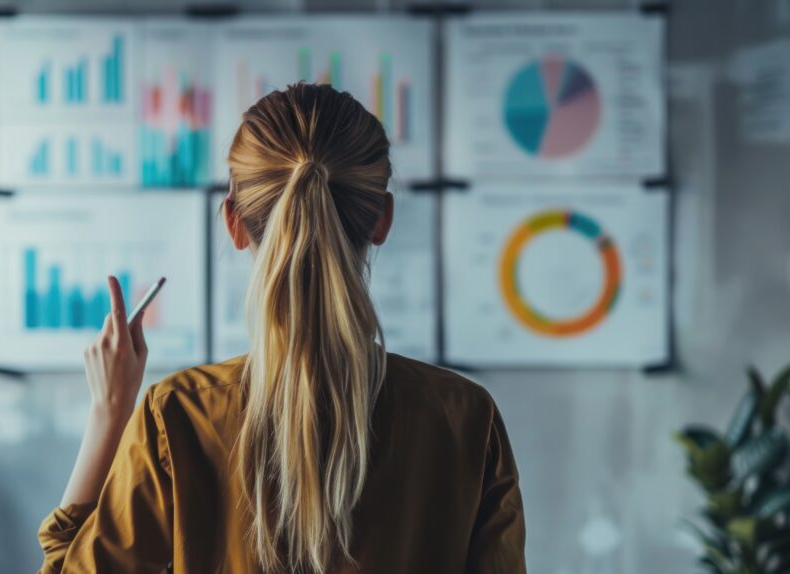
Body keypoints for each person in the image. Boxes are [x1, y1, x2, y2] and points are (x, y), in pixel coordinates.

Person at [38, 83, 526, 573]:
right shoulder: (465, 417)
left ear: (233, 221)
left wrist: (109, 412)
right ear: (383, 220)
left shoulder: (180, 416)